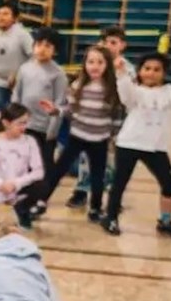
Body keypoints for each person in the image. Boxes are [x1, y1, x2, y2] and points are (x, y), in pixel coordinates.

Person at [103, 51, 171, 238]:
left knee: (169, 185)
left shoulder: (169, 92)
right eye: (147, 69)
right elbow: (125, 95)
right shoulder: (135, 91)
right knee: (119, 183)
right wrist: (121, 73)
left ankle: (165, 221)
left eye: (156, 70)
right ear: (140, 71)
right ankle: (110, 217)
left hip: (155, 147)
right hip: (129, 143)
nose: (151, 73)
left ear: (164, 73)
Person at [35, 45, 119, 217]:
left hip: (99, 140)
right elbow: (70, 110)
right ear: (85, 64)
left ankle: (95, 207)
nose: (95, 66)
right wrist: (55, 110)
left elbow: (117, 116)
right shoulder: (77, 85)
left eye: (100, 62)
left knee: (98, 175)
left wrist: (115, 135)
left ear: (107, 65)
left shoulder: (112, 89)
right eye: (91, 62)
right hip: (77, 136)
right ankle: (41, 202)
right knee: (58, 170)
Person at [12, 27, 66, 197]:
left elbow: (60, 104)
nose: (42, 49)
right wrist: (13, 120)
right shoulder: (24, 69)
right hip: (25, 125)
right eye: (39, 44)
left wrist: (52, 130)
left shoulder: (58, 74)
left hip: (44, 129)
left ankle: (41, 197)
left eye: (48, 46)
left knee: (43, 164)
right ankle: (23, 191)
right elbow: (17, 95)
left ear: (55, 51)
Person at [0, 0, 32, 114]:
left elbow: (34, 58)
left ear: (14, 18)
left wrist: (18, 74)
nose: (1, 17)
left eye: (5, 14)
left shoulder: (23, 35)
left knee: (18, 118)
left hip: (21, 86)